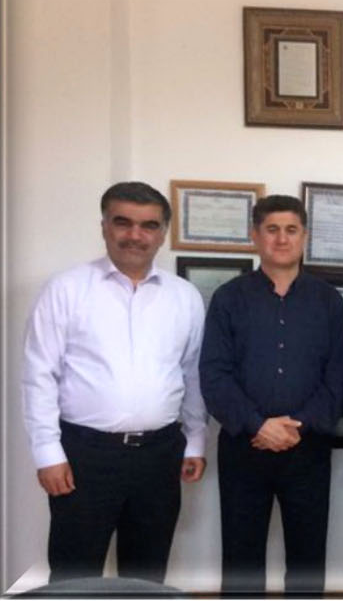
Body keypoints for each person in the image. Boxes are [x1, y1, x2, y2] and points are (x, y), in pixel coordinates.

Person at [21, 181, 207, 583]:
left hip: (160, 455)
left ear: (163, 233)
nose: (135, 235)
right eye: (123, 222)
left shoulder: (184, 296)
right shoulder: (67, 289)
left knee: (146, 573)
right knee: (74, 574)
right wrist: (47, 453)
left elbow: (192, 374)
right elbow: (39, 375)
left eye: (149, 225)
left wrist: (195, 441)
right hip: (85, 456)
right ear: (104, 226)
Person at [199, 195, 343, 593]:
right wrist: (258, 425)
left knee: (307, 560)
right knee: (241, 559)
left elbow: (338, 377)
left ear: (305, 236)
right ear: (255, 236)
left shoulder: (328, 301)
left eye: (291, 230)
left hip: (308, 449)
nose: (282, 239)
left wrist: (297, 426)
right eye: (272, 229)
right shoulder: (229, 298)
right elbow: (214, 375)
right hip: (244, 447)